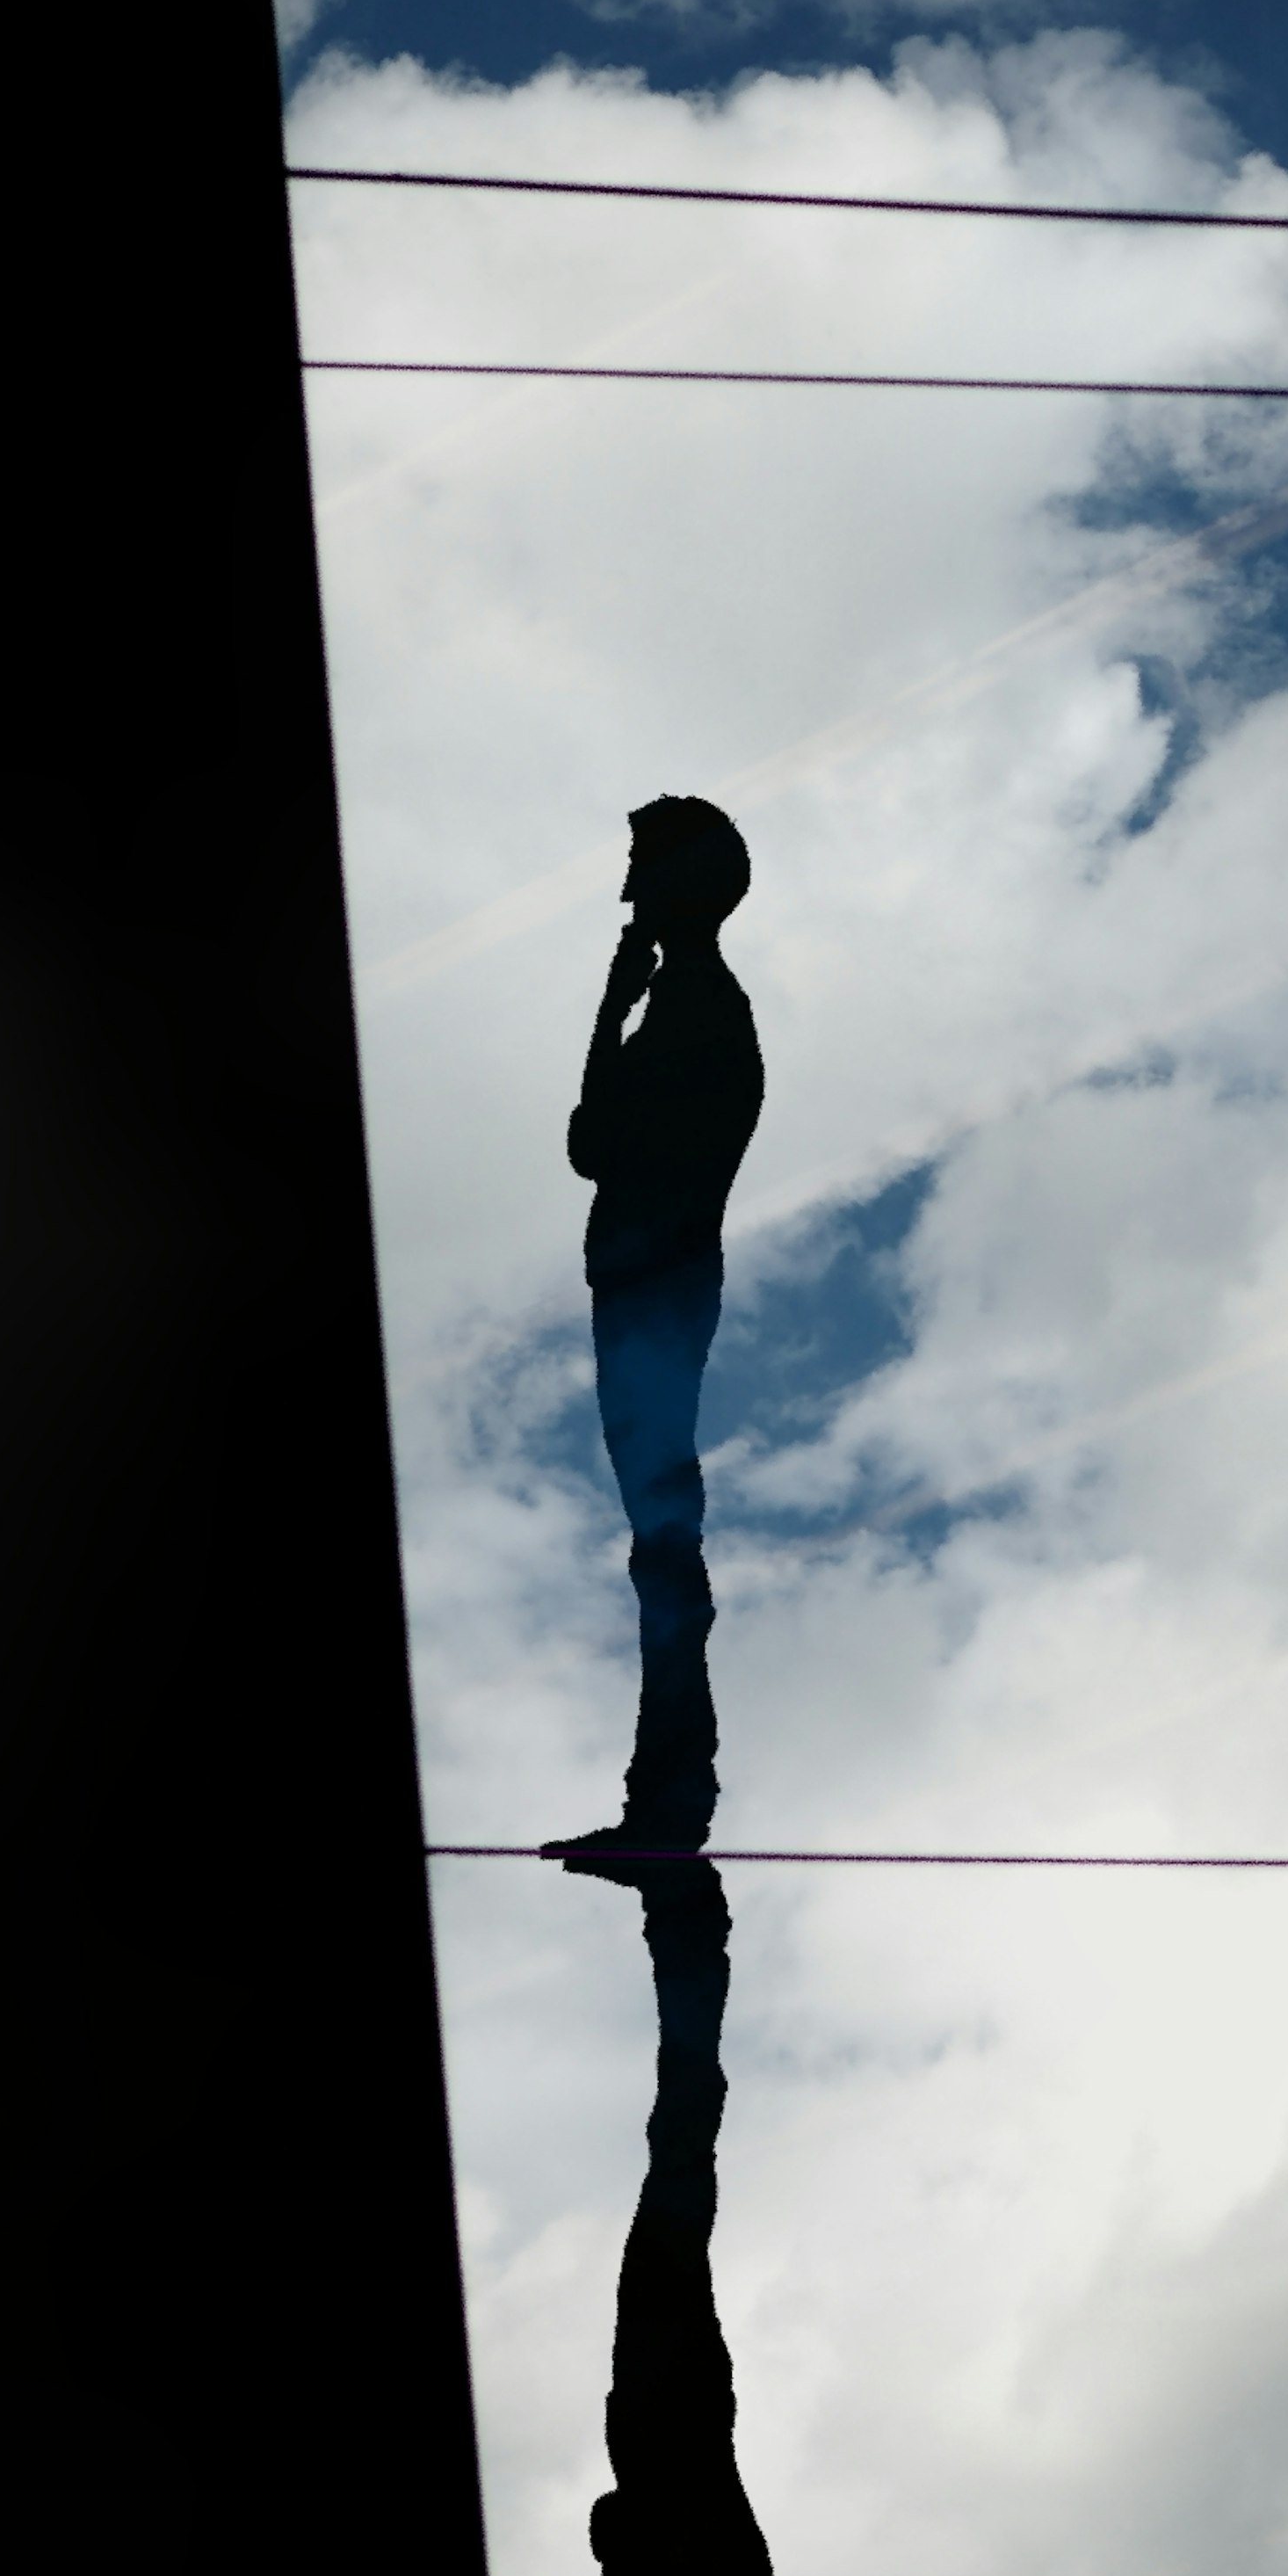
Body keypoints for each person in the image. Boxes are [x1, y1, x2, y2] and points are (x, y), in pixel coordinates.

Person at [548, 795, 761, 1872]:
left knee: (665, 1544)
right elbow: (593, 1144)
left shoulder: (696, 1011)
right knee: (662, 1542)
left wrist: (610, 1004)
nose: (628, 892)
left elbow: (596, 1144)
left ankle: (673, 1788)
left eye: (642, 867)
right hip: (647, 1290)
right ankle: (669, 1785)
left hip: (656, 1295)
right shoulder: (681, 1006)